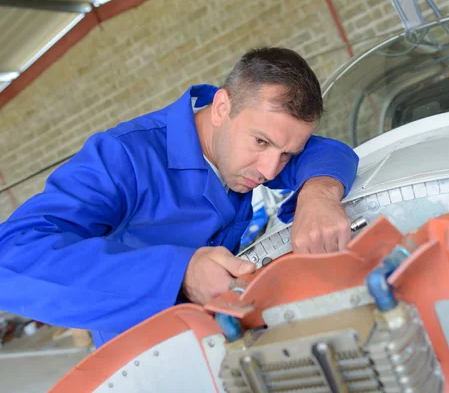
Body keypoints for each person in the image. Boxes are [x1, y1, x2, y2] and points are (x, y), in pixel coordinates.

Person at [0, 47, 359, 348]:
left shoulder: (251, 148)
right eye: (261, 142)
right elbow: (13, 255)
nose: (269, 170)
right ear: (221, 108)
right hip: (140, 352)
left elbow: (329, 153)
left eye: (286, 155)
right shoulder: (124, 157)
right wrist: (179, 273)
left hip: (221, 335)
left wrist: (319, 193)